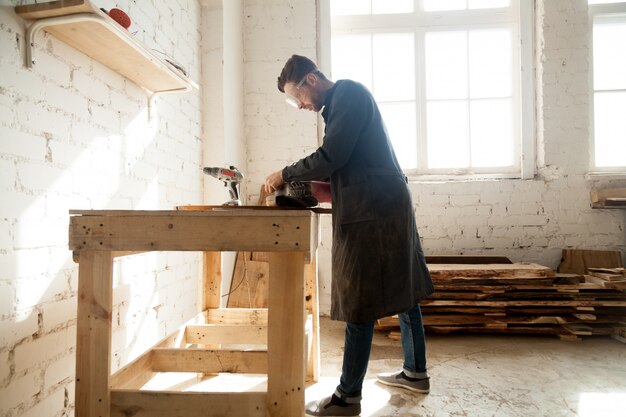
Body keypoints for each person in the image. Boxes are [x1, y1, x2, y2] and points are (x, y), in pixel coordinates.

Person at [264, 55, 434, 417]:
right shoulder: (341, 105)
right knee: (403, 290)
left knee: (359, 297)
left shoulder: (349, 95)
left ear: (311, 79)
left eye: (299, 98)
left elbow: (332, 154)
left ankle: (347, 397)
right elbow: (350, 164)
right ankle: (415, 373)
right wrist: (319, 187)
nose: (302, 106)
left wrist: (285, 173)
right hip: (382, 202)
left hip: (376, 208)